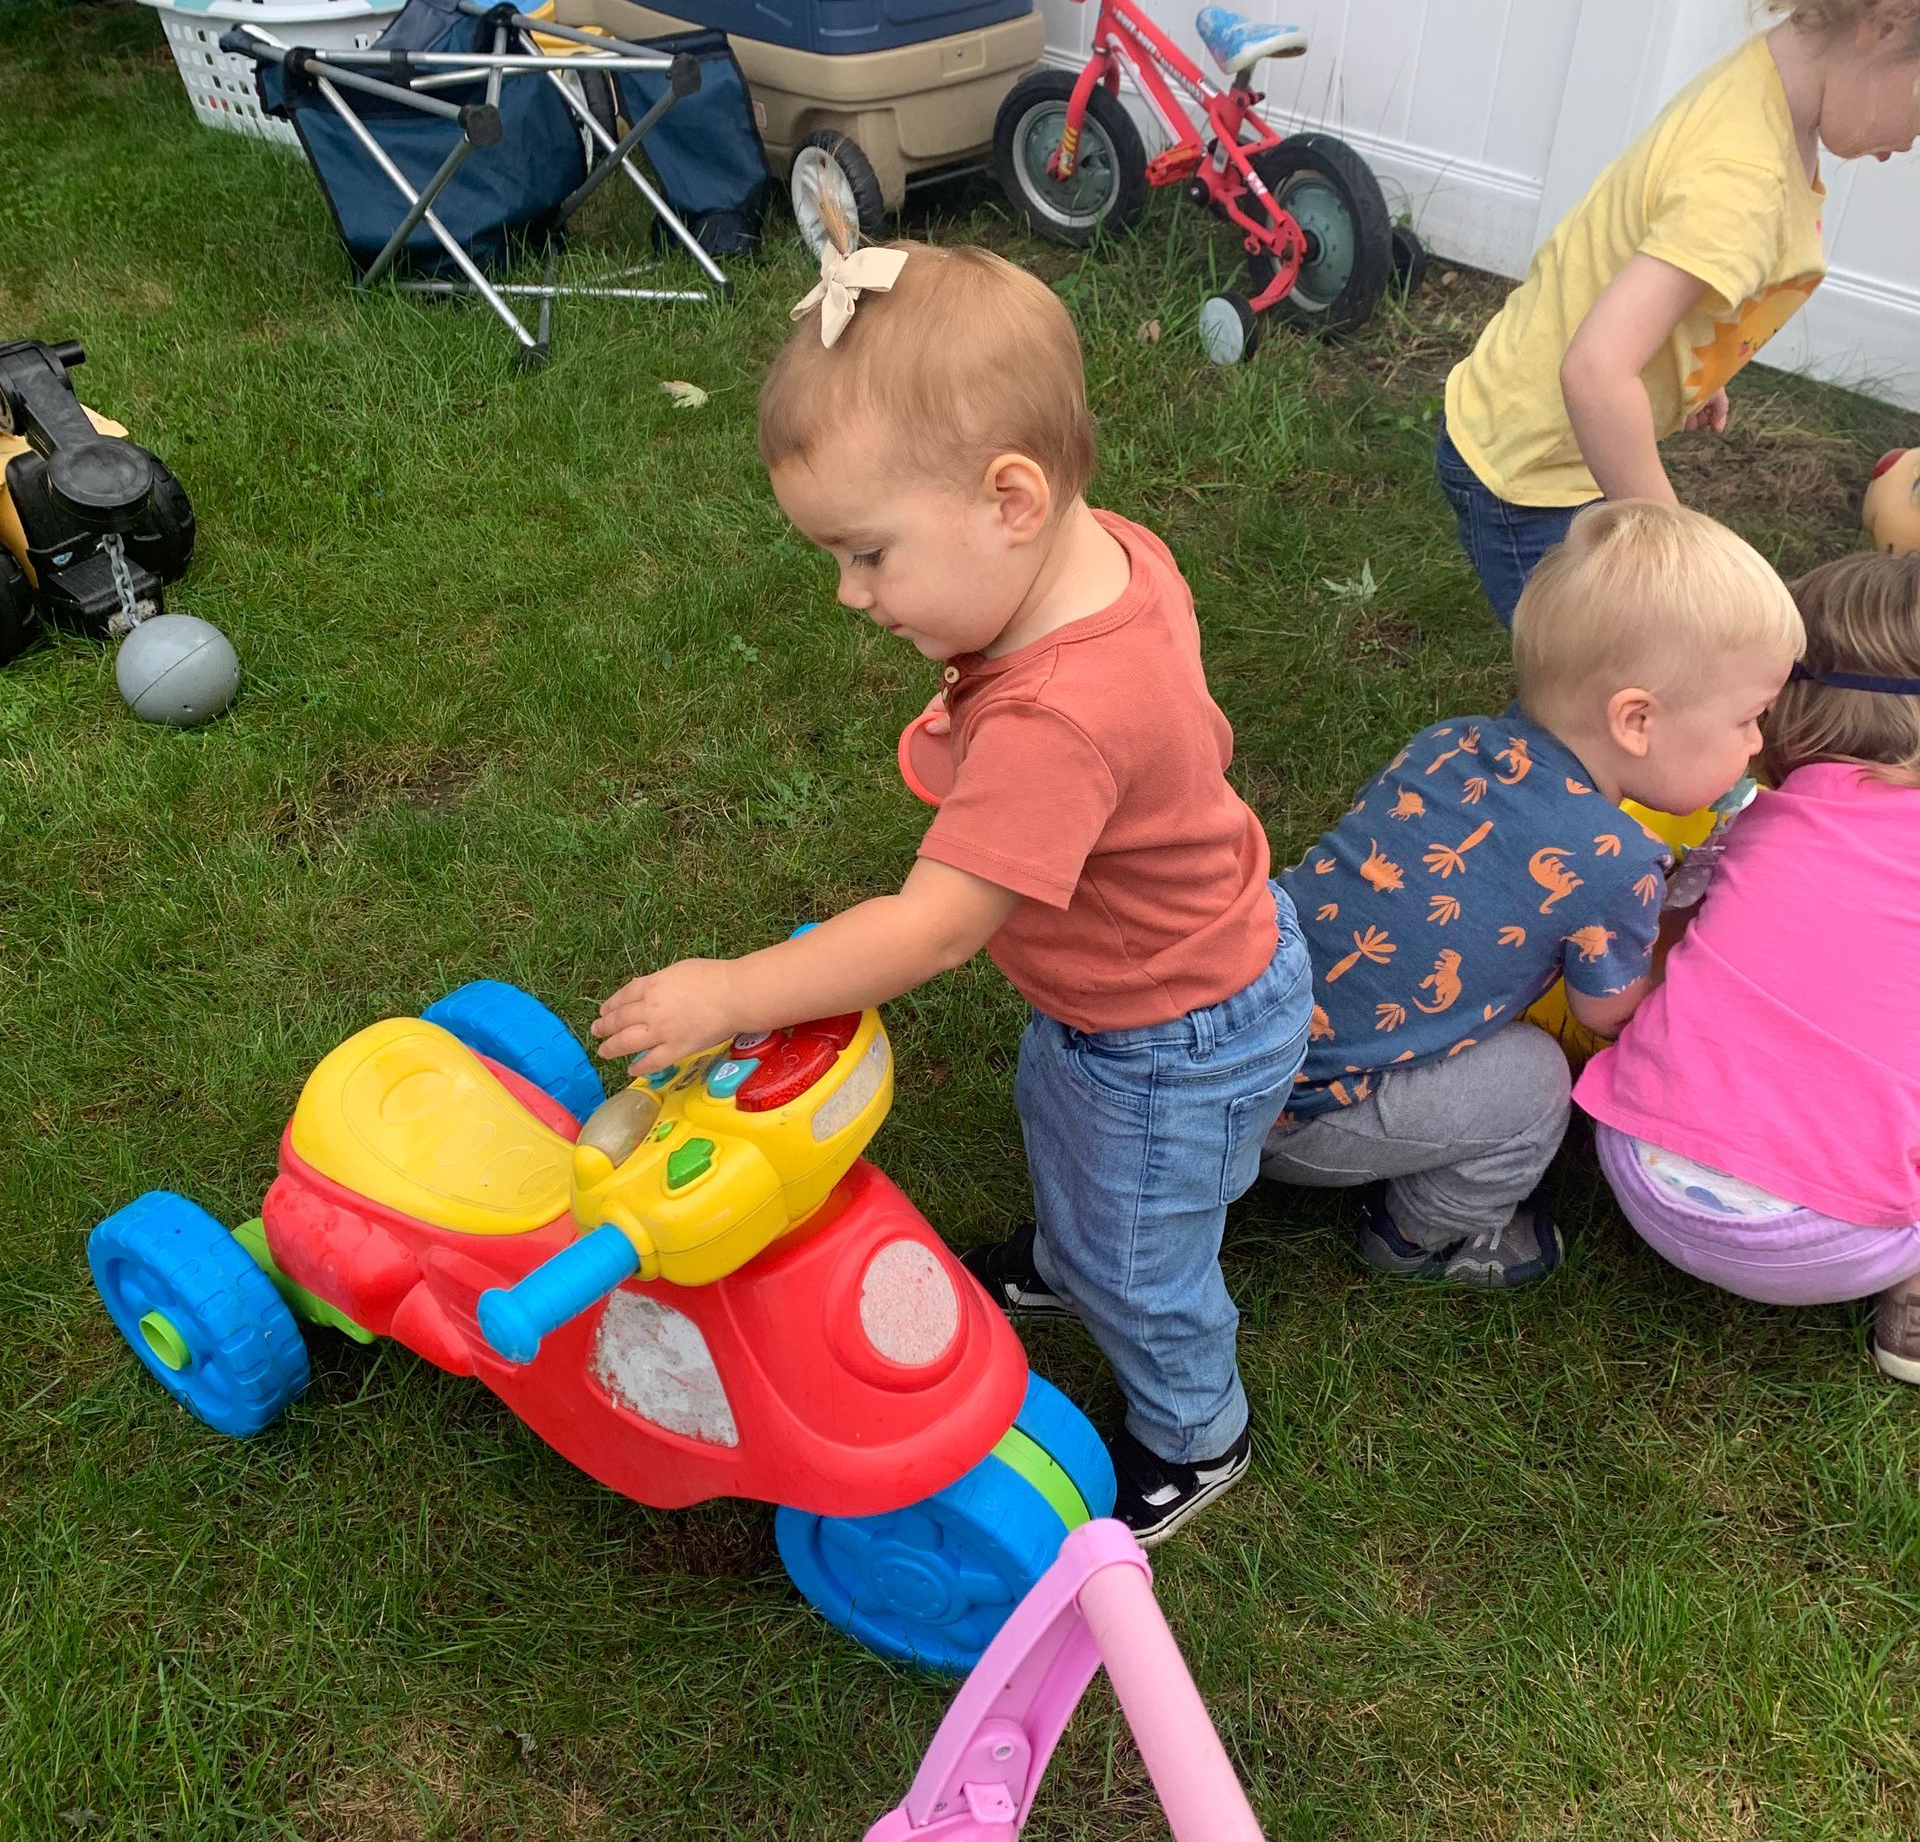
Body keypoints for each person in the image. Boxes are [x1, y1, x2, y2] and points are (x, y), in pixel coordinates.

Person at [594, 225, 1310, 1545]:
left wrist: (732, 990)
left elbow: (931, 931)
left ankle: (1196, 1431)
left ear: (1011, 502)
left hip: (1168, 1031)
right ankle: (1066, 1247)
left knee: (1142, 1264)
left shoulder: (1059, 723)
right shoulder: (1108, 559)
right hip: (1162, 978)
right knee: (1065, 1121)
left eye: (869, 554)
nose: (851, 596)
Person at [1261, 504, 1801, 1282]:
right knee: (1535, 1078)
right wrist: (1691, 940)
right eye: (1749, 719)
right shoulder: (1615, 860)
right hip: (1297, 1117)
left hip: (1241, 1023)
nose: (1757, 744)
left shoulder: (1446, 743)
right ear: (1637, 721)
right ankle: (1421, 1234)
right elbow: (1609, 1016)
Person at [1437, 0, 1920, 625]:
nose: (1911, 143)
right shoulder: (1743, 179)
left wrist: (1689, 360)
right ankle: (1535, 758)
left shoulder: (1767, 87)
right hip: (1531, 473)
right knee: (1602, 671)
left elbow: (1653, 259)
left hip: (1526, 423)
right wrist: (1677, 543)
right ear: (1888, 22)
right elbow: (1595, 372)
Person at [1579, 553, 1920, 1378]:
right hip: (1831, 1242)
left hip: (1639, 1165)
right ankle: (1909, 1298)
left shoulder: (1757, 821)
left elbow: (1667, 935)